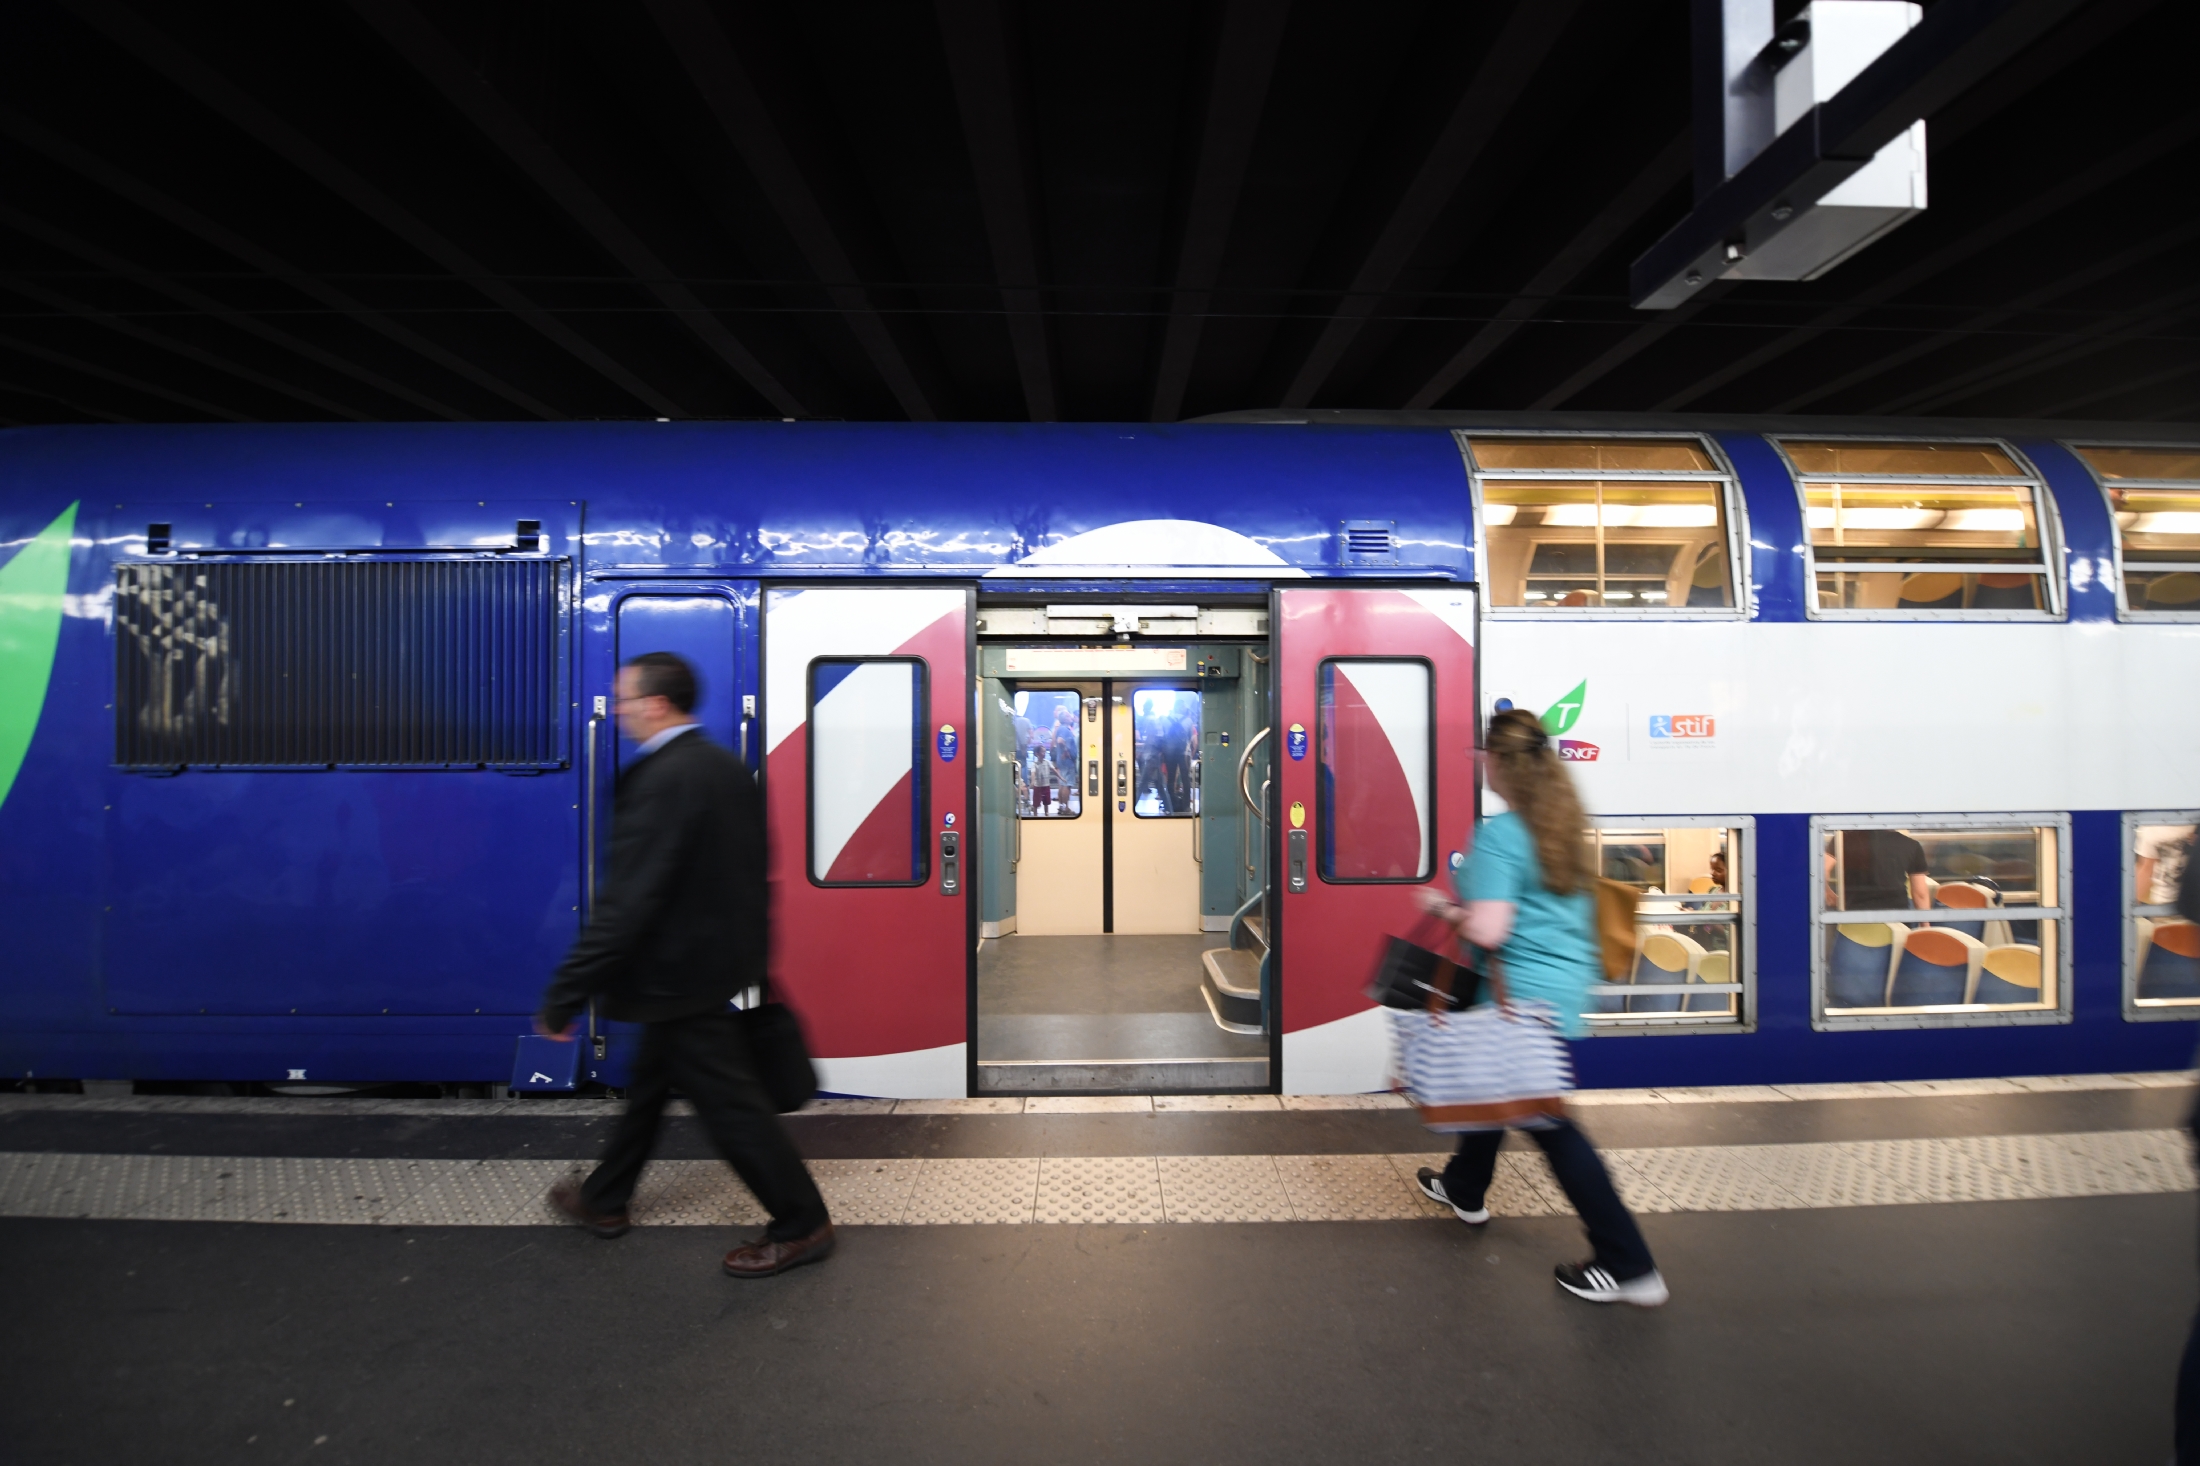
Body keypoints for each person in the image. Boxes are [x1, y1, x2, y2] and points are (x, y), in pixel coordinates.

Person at [536, 651, 833, 1279]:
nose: (618, 712)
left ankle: (802, 1223)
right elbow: (751, 876)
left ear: (656, 704)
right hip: (707, 970)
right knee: (648, 1088)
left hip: (679, 977)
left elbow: (630, 898)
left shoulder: (664, 777)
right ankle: (604, 1199)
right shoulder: (724, 767)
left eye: (624, 700)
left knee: (732, 1110)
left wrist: (566, 992)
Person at [1413, 707, 1667, 1308]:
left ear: (1500, 763)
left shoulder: (1503, 834)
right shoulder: (1558, 826)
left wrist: (1441, 907)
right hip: (1557, 988)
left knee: (1551, 1126)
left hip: (1518, 998)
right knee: (1500, 1089)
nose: (1480, 764)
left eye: (1484, 755)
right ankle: (1464, 1187)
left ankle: (1628, 1263)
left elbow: (1490, 929)